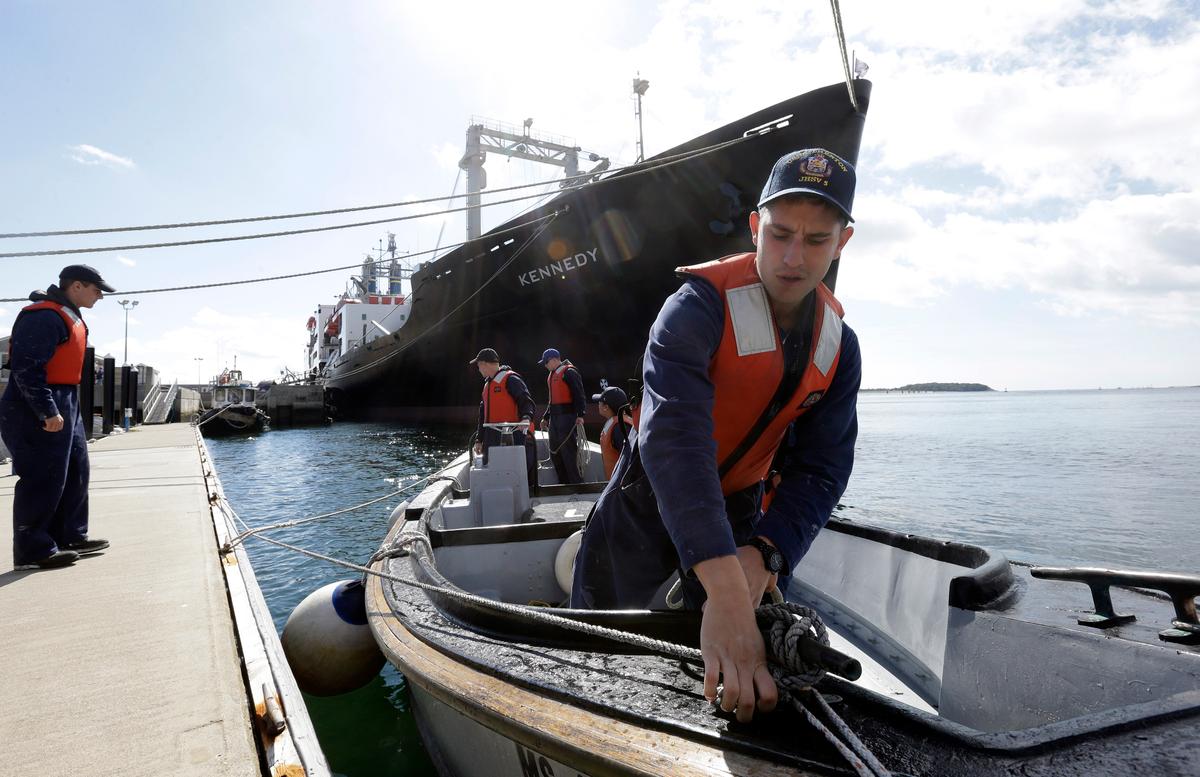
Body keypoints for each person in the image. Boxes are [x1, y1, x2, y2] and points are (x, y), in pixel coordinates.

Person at [571, 148, 861, 723]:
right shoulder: (694, 310)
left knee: (763, 663)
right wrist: (725, 590)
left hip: (744, 513)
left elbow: (823, 467)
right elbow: (673, 439)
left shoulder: (842, 348)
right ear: (755, 227)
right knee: (594, 650)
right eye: (779, 234)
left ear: (842, 243)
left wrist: (765, 555)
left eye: (816, 240)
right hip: (646, 501)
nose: (793, 258)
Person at [2, 264, 116, 570]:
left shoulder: (68, 315)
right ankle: (32, 550)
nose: (100, 297)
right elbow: (26, 369)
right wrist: (46, 410)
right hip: (37, 401)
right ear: (76, 286)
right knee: (43, 476)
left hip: (68, 398)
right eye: (97, 290)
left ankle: (69, 535)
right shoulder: (44, 316)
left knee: (76, 471)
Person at [470, 348, 537, 487]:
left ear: (484, 364)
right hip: (491, 436)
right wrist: (479, 439)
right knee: (494, 472)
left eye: (478, 366)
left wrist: (526, 418)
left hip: (511, 436)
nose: (478, 369)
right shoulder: (487, 384)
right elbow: (483, 416)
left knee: (512, 471)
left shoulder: (511, 379)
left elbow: (526, 401)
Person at [538, 348, 586, 484]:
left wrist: (581, 414)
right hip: (555, 419)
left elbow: (579, 394)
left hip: (568, 418)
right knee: (555, 452)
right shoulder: (552, 375)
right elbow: (552, 400)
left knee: (569, 452)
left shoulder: (569, 372)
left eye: (546, 363)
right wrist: (546, 417)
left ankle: (576, 484)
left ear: (554, 360)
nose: (545, 366)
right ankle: (563, 483)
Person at [592, 386, 634, 480]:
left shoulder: (619, 428)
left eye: (600, 402)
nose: (598, 404)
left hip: (622, 486)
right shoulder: (620, 423)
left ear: (606, 407)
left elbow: (630, 458)